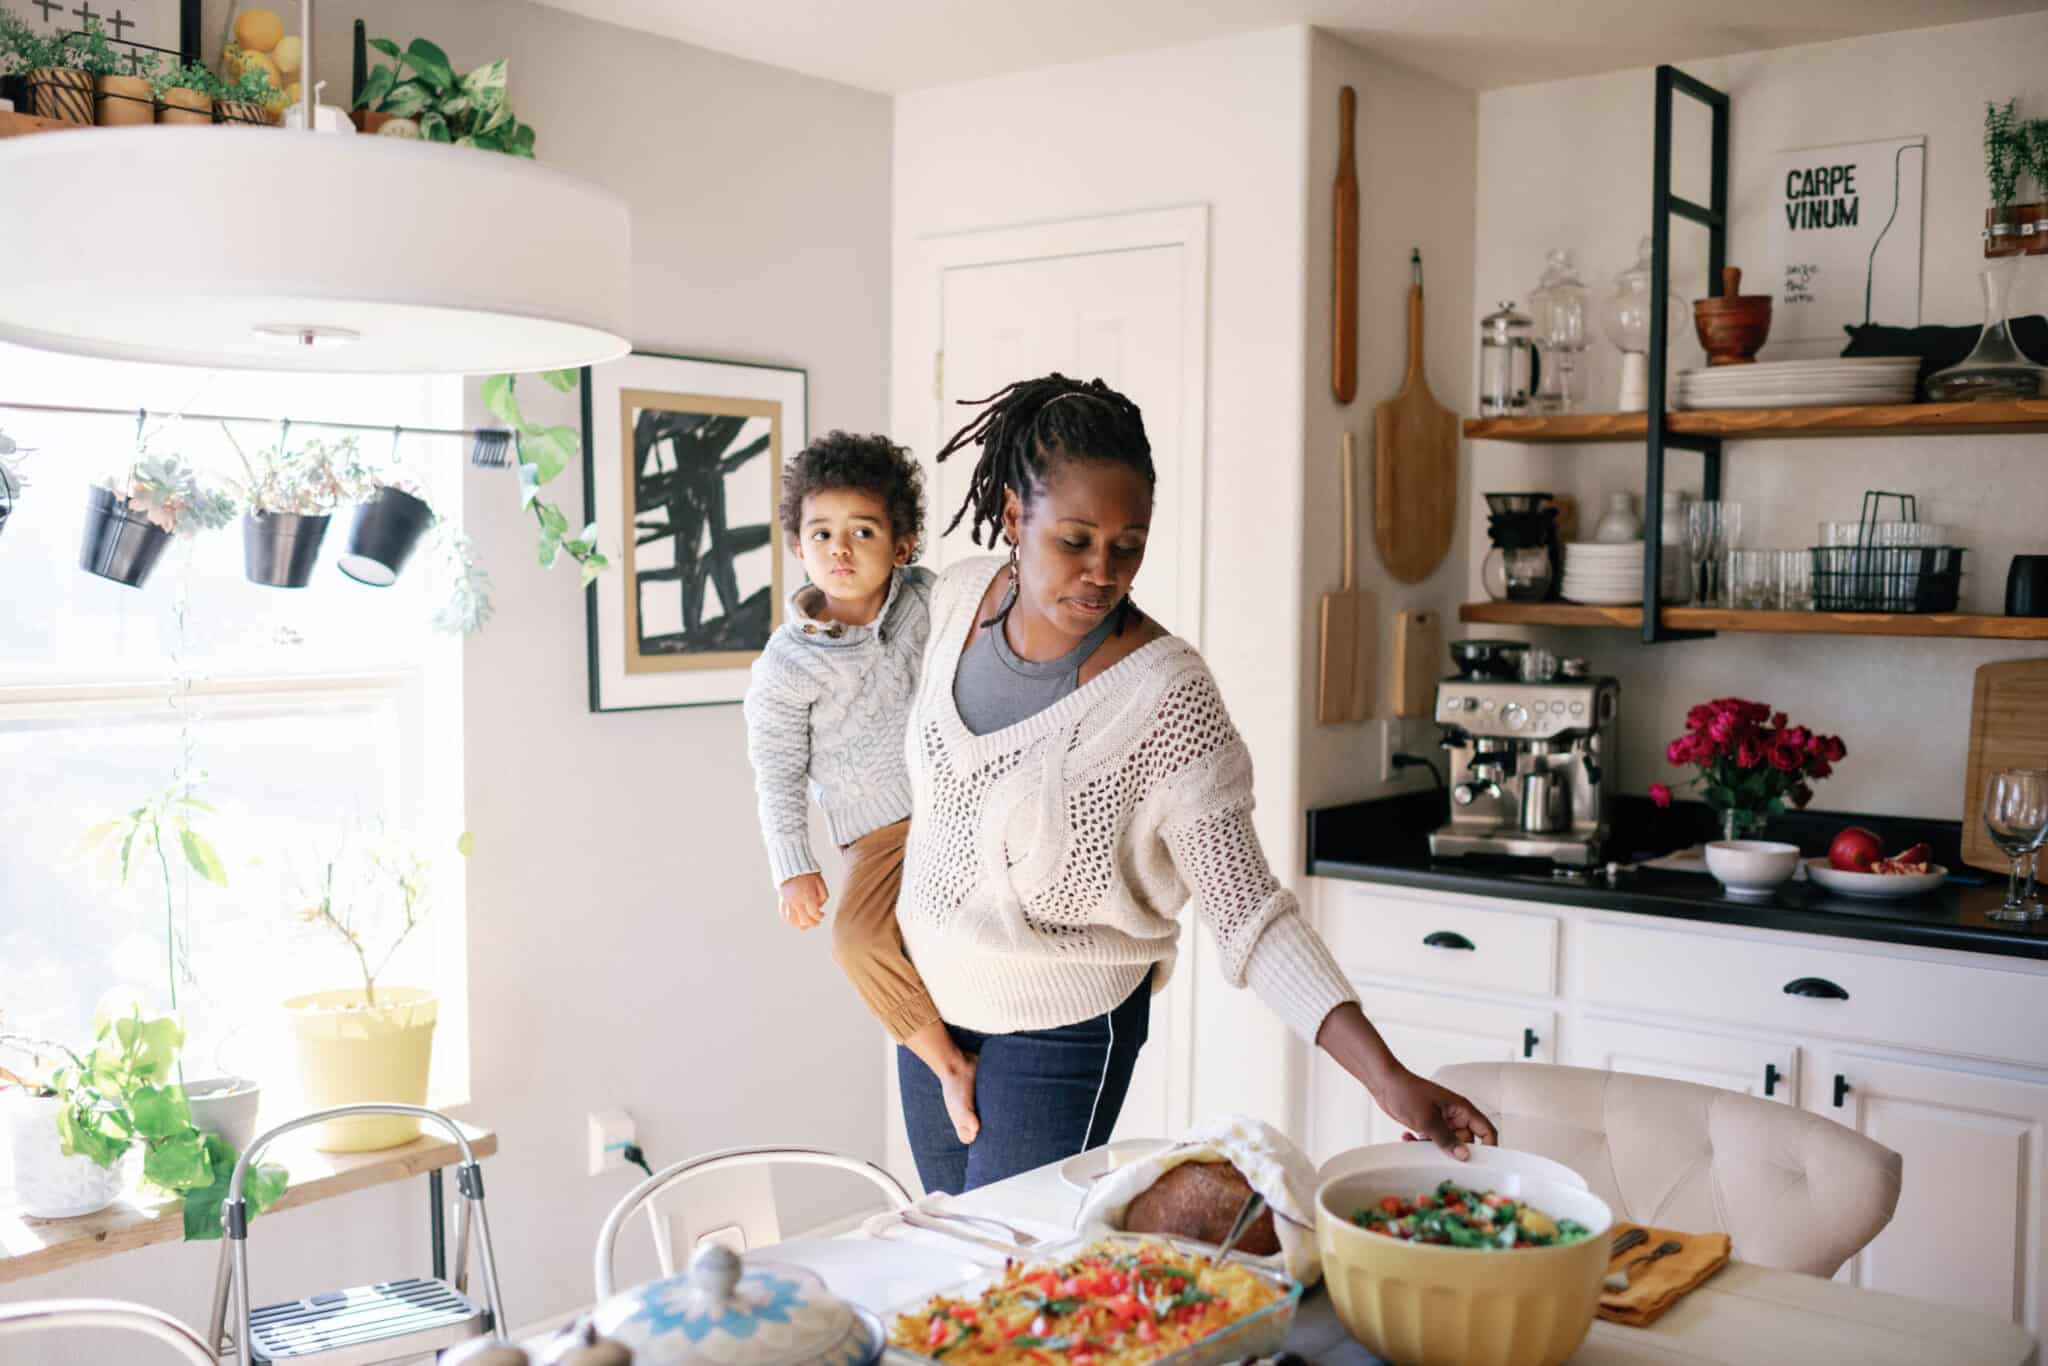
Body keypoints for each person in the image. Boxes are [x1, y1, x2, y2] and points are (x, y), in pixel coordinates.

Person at [893, 375, 1496, 1194]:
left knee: (1015, 1272)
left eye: (1128, 544)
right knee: (950, 1261)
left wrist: (1386, 1077)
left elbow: (1250, 914)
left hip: (1061, 1030)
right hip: (925, 1011)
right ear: (1012, 517)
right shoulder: (955, 599)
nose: (1103, 573)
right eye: (1076, 540)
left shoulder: (1166, 695)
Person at [743, 431, 981, 1144]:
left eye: (863, 531)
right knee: (854, 939)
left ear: (902, 545)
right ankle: (947, 1065)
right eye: (822, 533)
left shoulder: (929, 600)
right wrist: (794, 867)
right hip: (881, 836)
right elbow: (777, 769)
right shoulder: (788, 665)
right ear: (798, 548)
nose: (840, 550)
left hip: (963, 800)